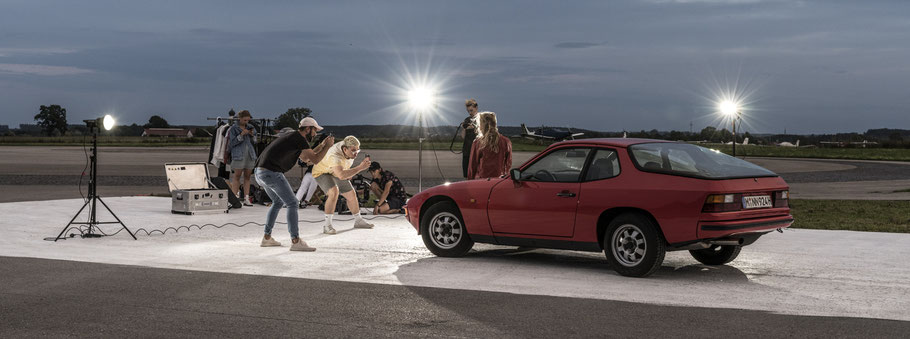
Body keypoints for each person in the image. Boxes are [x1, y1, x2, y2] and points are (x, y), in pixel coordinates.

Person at [254, 117, 334, 251]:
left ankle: (267, 238)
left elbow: (306, 157)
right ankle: (295, 241)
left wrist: (322, 145)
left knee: (278, 202)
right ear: (308, 129)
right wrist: (327, 146)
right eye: (314, 131)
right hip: (272, 172)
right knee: (293, 203)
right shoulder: (299, 138)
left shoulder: (293, 137)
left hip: (260, 172)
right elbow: (314, 159)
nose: (315, 135)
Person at [311, 135, 374, 234]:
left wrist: (350, 172)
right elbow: (341, 175)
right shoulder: (335, 156)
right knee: (333, 192)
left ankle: (358, 221)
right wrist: (360, 168)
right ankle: (327, 226)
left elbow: (344, 171)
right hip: (322, 172)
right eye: (353, 151)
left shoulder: (349, 149)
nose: (356, 154)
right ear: (345, 149)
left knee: (351, 194)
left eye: (357, 151)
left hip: (335, 170)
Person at [468, 112, 512, 179]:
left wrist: (470, 183)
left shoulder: (477, 143)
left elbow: (472, 168)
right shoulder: (506, 141)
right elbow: (508, 164)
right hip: (499, 182)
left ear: (481, 125)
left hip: (482, 182)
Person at [227, 110, 257, 206]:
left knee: (248, 177)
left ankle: (246, 198)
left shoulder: (251, 127)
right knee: (237, 176)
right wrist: (241, 135)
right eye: (244, 120)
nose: (246, 122)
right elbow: (231, 143)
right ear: (239, 118)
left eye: (248, 120)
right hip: (238, 155)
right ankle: (234, 198)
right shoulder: (233, 129)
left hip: (250, 154)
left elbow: (255, 141)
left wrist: (253, 136)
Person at [461, 99, 479, 178]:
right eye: (468, 111)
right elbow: (463, 137)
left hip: (477, 152)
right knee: (466, 175)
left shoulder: (481, 119)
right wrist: (464, 128)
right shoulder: (467, 120)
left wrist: (475, 128)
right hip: (467, 151)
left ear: (476, 108)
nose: (470, 113)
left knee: (477, 175)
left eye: (471, 110)